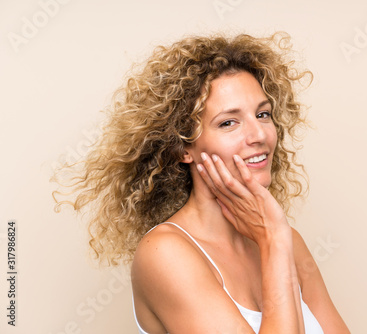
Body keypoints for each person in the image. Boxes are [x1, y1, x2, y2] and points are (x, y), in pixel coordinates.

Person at [53, 31, 350, 334]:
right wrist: (274, 241)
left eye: (263, 114)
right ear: (183, 147)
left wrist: (276, 239)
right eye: (228, 122)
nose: (259, 135)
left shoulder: (287, 240)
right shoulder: (166, 253)